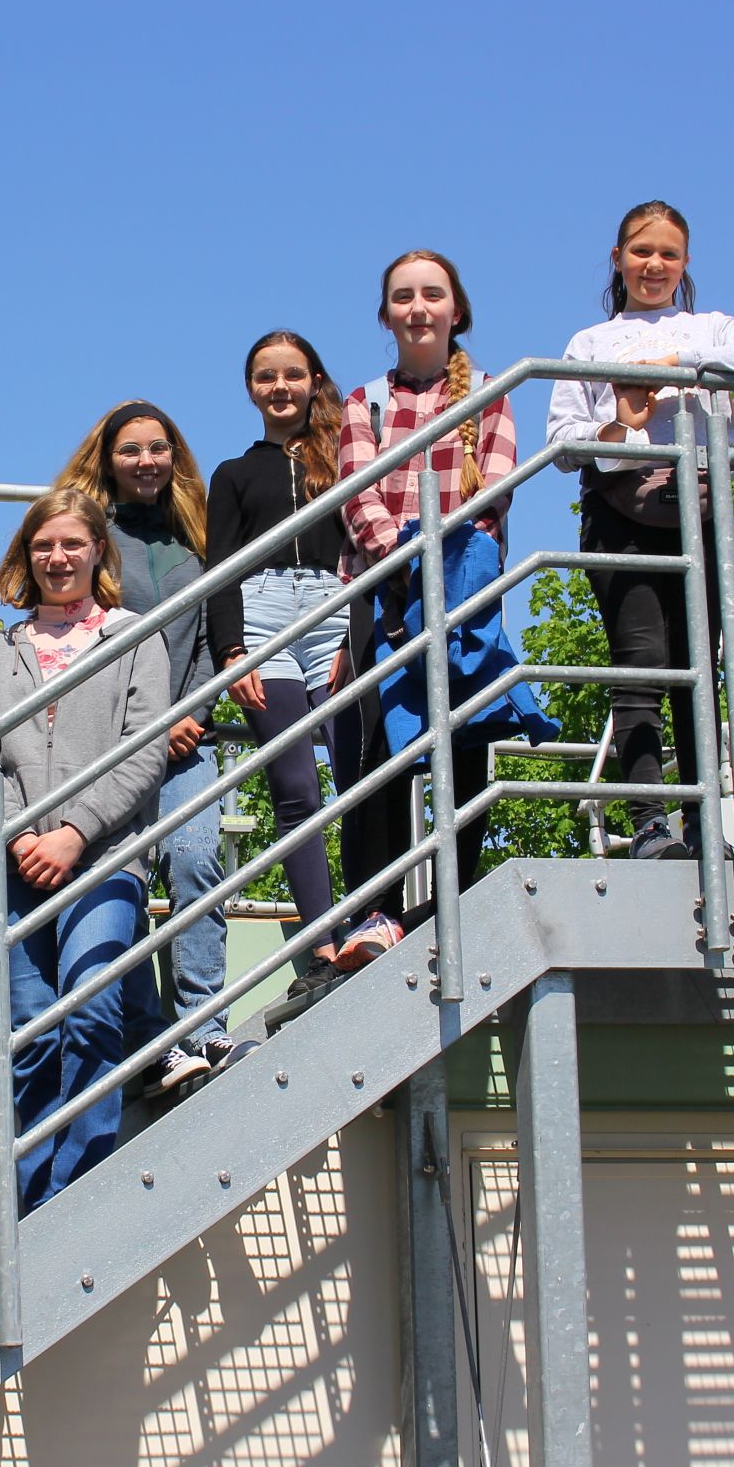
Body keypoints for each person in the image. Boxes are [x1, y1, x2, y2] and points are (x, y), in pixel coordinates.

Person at [547, 201, 734, 860]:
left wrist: (678, 362)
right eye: (641, 252)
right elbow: (562, 442)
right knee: (642, 666)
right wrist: (621, 422)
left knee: (700, 672)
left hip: (701, 513)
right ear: (617, 259)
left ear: (685, 264)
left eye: (669, 254)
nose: (654, 265)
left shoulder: (712, 327)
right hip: (618, 521)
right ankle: (650, 823)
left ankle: (705, 822)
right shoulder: (589, 344)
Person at [0, 489, 168, 1211]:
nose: (58, 558)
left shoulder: (136, 636)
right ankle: (32, 1200)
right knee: (27, 1032)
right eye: (44, 545)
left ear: (97, 551)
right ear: (26, 554)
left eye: (73, 544)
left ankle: (75, 1197)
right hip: (18, 866)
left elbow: (145, 754)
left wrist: (74, 832)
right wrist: (22, 836)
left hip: (106, 859)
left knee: (89, 1011)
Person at [51, 402, 245, 1094]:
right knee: (122, 886)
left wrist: (191, 713)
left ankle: (204, 1025)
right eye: (130, 450)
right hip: (113, 743)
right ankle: (152, 1045)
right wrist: (148, 725)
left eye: (158, 448)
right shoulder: (91, 539)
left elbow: (208, 635)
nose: (145, 461)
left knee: (196, 865)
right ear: (108, 459)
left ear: (175, 455)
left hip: (190, 736)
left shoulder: (196, 536)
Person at [329, 250, 517, 963]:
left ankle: (450, 901)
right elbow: (358, 493)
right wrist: (404, 566)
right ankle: (376, 912)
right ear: (386, 315)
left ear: (455, 310)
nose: (417, 308)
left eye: (431, 295)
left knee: (462, 742)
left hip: (462, 588)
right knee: (381, 748)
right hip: (383, 592)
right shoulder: (364, 401)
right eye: (403, 297)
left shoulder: (490, 394)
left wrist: (439, 568)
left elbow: (493, 491)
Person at [207, 331, 352, 985]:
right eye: (267, 377)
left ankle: (378, 918)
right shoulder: (235, 474)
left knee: (360, 768)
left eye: (293, 374)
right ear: (250, 390)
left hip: (334, 612)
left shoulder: (347, 458)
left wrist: (356, 637)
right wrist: (231, 649)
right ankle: (322, 943)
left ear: (313, 380)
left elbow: (369, 547)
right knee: (296, 787)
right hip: (261, 618)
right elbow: (221, 569)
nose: (281, 387)